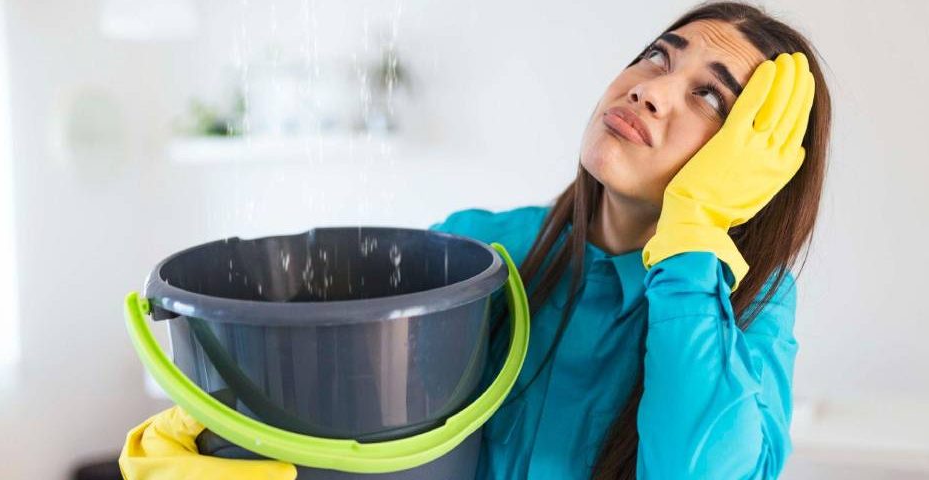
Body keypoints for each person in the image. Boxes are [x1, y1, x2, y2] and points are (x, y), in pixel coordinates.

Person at [119, 1, 831, 478]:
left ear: (754, 159)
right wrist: (218, 436)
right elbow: (338, 417)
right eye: (656, 56)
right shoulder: (484, 255)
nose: (652, 90)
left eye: (710, 97)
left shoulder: (750, 308)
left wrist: (694, 233)